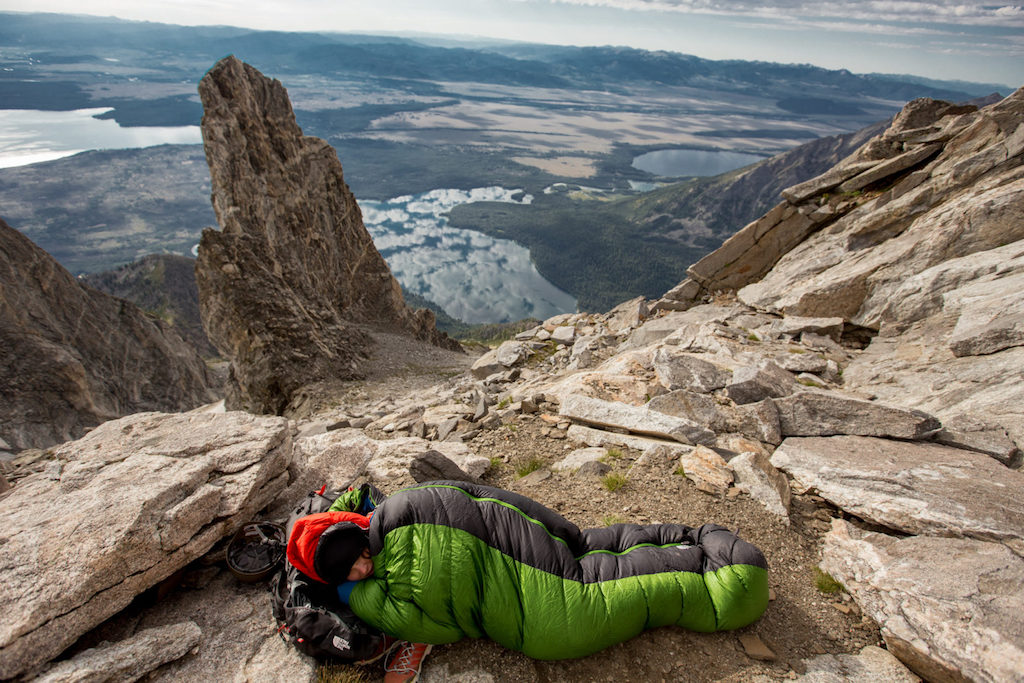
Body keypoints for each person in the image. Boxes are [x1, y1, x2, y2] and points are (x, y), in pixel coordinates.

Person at [287, 508, 432, 683]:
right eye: (352, 570)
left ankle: (418, 636)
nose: (363, 568)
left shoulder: (372, 529)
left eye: (361, 558)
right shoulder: (338, 583)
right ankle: (407, 633)